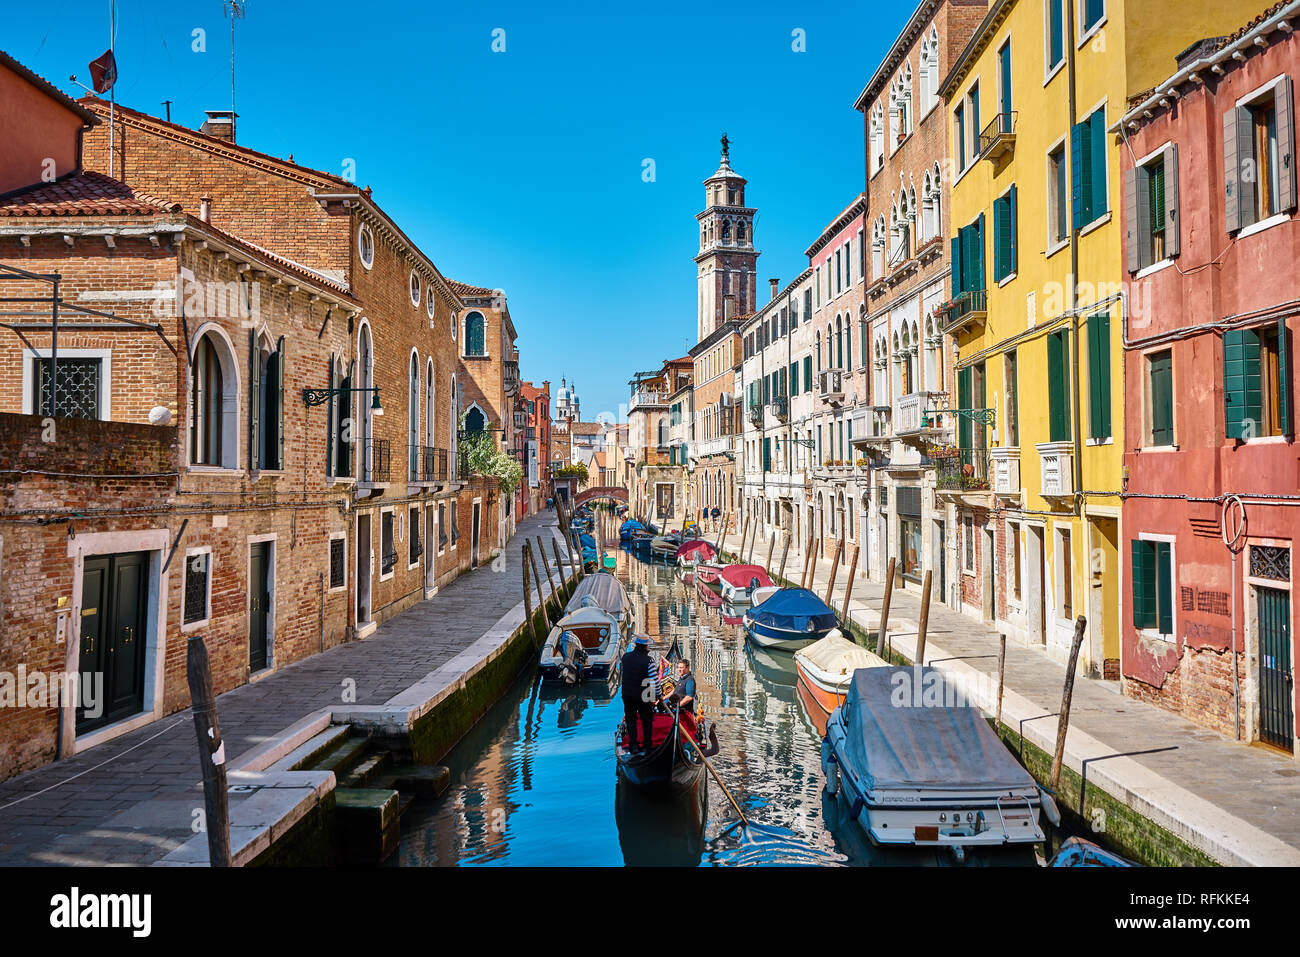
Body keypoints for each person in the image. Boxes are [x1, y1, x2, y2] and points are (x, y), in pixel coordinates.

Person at [620, 636, 658, 754]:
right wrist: (659, 695)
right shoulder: (649, 660)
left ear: (636, 645)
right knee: (647, 719)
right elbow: (654, 681)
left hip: (627, 695)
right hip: (644, 695)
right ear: (646, 646)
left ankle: (634, 746)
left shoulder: (625, 657)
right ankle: (647, 746)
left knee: (630, 719)